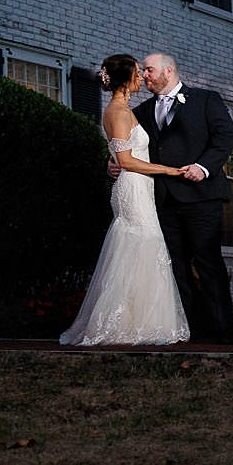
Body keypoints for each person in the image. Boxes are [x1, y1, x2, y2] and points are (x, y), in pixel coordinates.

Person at [59, 54, 192, 346]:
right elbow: (127, 161)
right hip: (132, 186)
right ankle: (122, 325)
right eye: (137, 72)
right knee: (142, 244)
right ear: (125, 79)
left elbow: (120, 154)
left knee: (144, 247)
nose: (142, 77)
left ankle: (139, 323)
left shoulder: (125, 109)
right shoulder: (117, 112)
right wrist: (168, 170)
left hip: (141, 186)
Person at [133, 52, 233, 342]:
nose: (145, 76)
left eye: (149, 70)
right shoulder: (141, 111)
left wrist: (203, 167)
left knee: (208, 261)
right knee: (174, 265)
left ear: (168, 71)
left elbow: (226, 136)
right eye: (143, 71)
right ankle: (188, 330)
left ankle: (222, 331)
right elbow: (131, 149)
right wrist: (114, 163)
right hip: (164, 199)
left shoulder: (206, 99)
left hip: (202, 197)